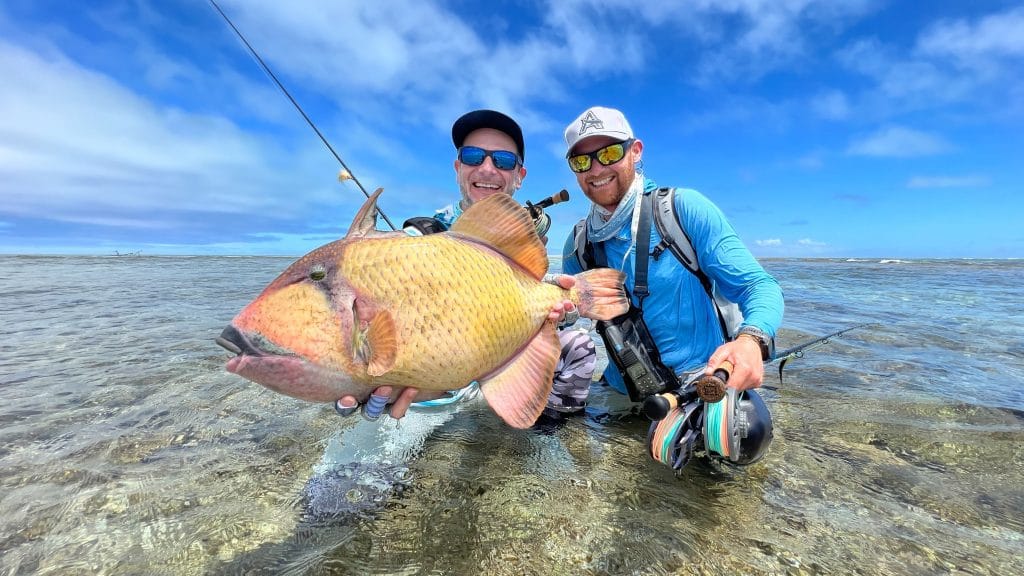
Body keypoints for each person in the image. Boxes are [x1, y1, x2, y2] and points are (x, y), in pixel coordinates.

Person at [336, 109, 596, 426]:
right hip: (432, 392)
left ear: (519, 175)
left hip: (499, 372)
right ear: (458, 167)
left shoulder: (523, 244)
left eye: (502, 161)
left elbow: (522, 302)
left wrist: (559, 308)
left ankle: (542, 446)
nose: (487, 168)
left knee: (578, 346)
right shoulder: (419, 239)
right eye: (473, 156)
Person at [559, 105, 784, 401]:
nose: (596, 169)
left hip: (702, 385)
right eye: (581, 161)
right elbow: (561, 320)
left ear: (636, 151)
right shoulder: (578, 244)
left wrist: (751, 340)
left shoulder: (683, 210)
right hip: (620, 392)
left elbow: (759, 286)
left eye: (609, 153)